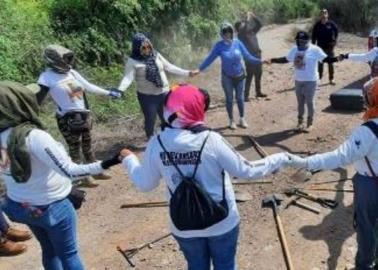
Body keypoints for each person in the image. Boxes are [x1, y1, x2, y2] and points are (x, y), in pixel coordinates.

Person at [117, 84, 290, 270]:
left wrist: (130, 160)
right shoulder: (211, 140)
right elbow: (247, 171)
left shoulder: (156, 143)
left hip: (184, 224)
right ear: (199, 109)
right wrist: (278, 159)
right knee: (225, 266)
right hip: (222, 221)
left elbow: (145, 184)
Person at [0, 80, 121, 269]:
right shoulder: (34, 137)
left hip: (21, 205)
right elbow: (70, 170)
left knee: (49, 251)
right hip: (51, 206)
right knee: (69, 255)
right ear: (18, 105)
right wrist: (110, 162)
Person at [287, 77, 378, 270]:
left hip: (370, 185)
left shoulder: (368, 131)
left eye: (368, 97)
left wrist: (307, 163)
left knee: (366, 227)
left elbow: (340, 157)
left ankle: (364, 265)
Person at [37, 45, 122, 187]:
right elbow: (37, 99)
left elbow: (89, 87)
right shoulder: (46, 77)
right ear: (54, 60)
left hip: (83, 115)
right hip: (67, 118)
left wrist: (109, 93)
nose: (68, 62)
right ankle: (82, 176)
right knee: (74, 148)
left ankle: (96, 170)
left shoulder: (72, 73)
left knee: (88, 146)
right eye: (65, 59)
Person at [115, 33, 196, 139]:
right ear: (137, 48)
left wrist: (187, 72)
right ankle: (151, 141)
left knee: (169, 117)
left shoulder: (156, 54)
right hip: (147, 97)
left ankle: (168, 138)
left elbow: (169, 67)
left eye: (149, 46)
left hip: (164, 93)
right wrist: (120, 90)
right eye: (143, 47)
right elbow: (128, 78)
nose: (147, 49)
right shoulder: (133, 61)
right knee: (150, 120)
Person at [268, 31, 340, 132]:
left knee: (309, 102)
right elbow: (286, 59)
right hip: (298, 80)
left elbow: (326, 60)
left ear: (308, 41)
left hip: (311, 81)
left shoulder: (315, 50)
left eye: (302, 41)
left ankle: (310, 123)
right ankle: (300, 123)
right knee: (300, 103)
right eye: (298, 41)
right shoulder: (294, 49)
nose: (300, 43)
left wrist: (338, 58)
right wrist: (272, 60)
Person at [195, 22, 262, 129]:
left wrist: (260, 61)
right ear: (221, 33)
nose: (227, 33)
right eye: (225, 31)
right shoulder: (219, 46)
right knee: (229, 99)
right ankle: (231, 121)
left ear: (232, 31)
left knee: (240, 98)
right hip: (227, 78)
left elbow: (248, 56)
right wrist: (199, 69)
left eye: (229, 30)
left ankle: (242, 118)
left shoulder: (238, 43)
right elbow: (209, 59)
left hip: (240, 76)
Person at [235, 11, 266, 100]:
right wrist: (247, 18)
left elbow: (260, 24)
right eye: (241, 24)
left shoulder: (251, 31)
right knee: (250, 76)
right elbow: (244, 27)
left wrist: (253, 16)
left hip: (257, 55)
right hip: (249, 58)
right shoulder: (241, 35)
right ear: (239, 28)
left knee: (258, 74)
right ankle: (245, 96)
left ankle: (258, 92)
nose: (243, 24)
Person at [311, 9, 339, 85]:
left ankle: (331, 79)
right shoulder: (317, 25)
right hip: (320, 48)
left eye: (325, 13)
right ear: (320, 15)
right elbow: (313, 36)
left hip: (330, 47)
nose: (323, 15)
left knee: (331, 63)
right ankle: (319, 79)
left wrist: (335, 41)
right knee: (320, 63)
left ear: (327, 15)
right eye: (322, 13)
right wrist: (313, 46)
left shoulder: (331, 24)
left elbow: (336, 31)